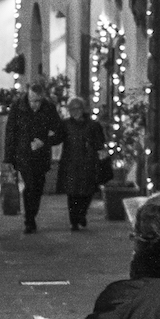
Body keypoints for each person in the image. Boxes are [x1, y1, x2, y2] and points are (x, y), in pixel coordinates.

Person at [2, 79, 64, 233]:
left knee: (38, 186)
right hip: (23, 154)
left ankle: (31, 214)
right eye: (33, 101)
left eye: (38, 101)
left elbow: (59, 131)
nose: (35, 104)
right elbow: (10, 132)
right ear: (28, 96)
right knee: (30, 184)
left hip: (41, 155)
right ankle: (29, 220)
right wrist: (8, 158)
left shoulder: (48, 108)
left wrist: (45, 142)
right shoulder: (18, 107)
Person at [57, 96, 106, 231]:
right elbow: (57, 138)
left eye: (77, 108)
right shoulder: (65, 124)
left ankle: (82, 214)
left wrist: (100, 152)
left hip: (88, 162)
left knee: (87, 192)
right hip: (71, 162)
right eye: (72, 109)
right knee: (72, 193)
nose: (75, 112)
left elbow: (99, 142)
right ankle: (74, 220)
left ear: (83, 109)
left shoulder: (93, 125)